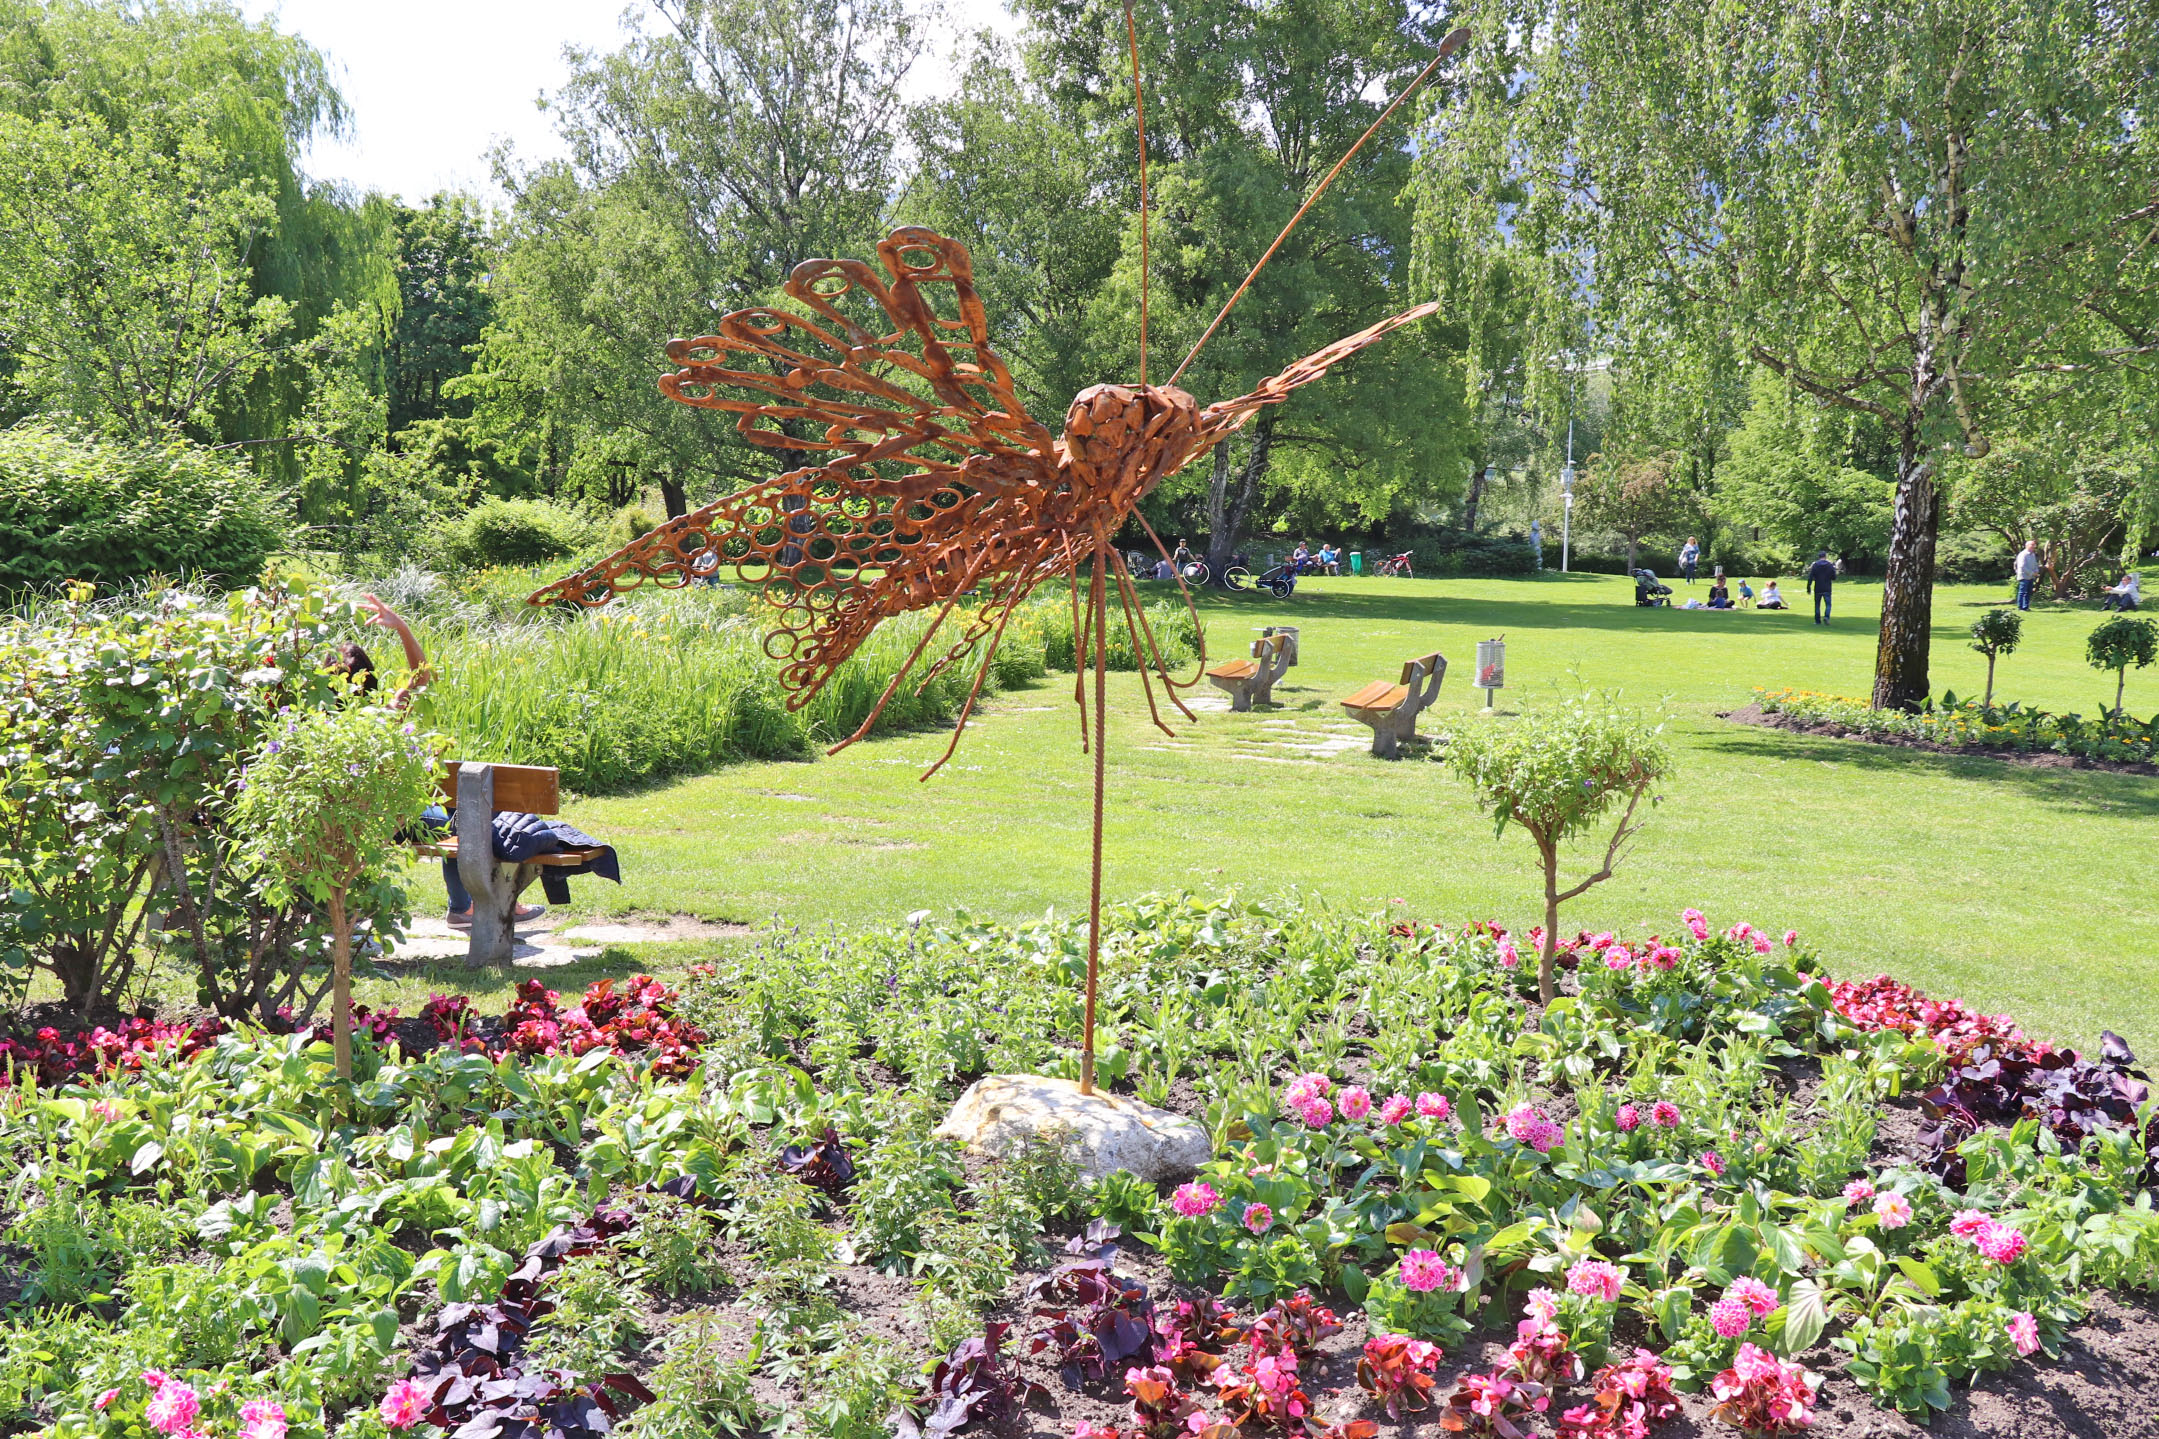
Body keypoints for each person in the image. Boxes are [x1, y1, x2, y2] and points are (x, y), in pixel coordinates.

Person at [331, 595, 546, 931]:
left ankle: (465, 907)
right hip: (393, 821)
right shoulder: (383, 716)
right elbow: (422, 677)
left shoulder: (321, 723)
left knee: (462, 816)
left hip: (358, 821)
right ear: (368, 679)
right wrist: (402, 628)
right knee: (468, 818)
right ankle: (465, 907)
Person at [1805, 550, 1838, 624]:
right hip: (1827, 587)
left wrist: (1808, 587)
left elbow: (1810, 577)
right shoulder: (1830, 565)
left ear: (1819, 557)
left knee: (1817, 605)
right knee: (1828, 604)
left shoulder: (1815, 565)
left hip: (1818, 587)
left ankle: (1817, 621)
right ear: (1825, 556)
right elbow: (1834, 577)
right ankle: (1826, 617)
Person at [2013, 539, 2042, 610]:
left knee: (2028, 592)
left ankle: (2026, 607)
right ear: (2027, 545)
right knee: (2022, 592)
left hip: (2031, 576)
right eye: (2032, 545)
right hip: (2024, 576)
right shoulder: (2022, 554)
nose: (2033, 546)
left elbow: (2035, 564)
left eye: (2034, 545)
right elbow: (2022, 566)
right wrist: (2032, 573)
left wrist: (2036, 571)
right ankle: (2020, 607)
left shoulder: (2033, 554)